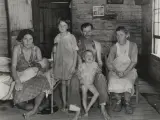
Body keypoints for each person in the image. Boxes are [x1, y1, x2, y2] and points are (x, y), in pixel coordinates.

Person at [69, 23, 110, 120]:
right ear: (81, 31)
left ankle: (103, 108)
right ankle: (77, 111)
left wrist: (98, 68)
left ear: (92, 31)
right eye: (85, 31)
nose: (87, 33)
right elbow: (79, 62)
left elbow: (99, 61)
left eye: (89, 30)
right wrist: (79, 73)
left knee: (101, 79)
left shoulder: (97, 44)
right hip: (82, 69)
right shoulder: (78, 44)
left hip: (93, 70)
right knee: (74, 81)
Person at [12, 29, 50, 119]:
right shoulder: (17, 49)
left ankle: (34, 111)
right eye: (25, 39)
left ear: (33, 40)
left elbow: (41, 66)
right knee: (21, 104)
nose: (28, 42)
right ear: (21, 39)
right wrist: (17, 81)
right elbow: (13, 67)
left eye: (30, 39)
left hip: (34, 76)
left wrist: (40, 71)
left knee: (43, 80)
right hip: (22, 76)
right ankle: (41, 106)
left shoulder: (36, 49)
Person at [107, 26, 138, 114]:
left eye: (121, 35)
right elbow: (109, 62)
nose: (118, 37)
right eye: (117, 35)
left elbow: (134, 61)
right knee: (113, 80)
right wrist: (116, 72)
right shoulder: (114, 47)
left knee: (127, 81)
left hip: (129, 70)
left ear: (127, 35)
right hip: (116, 70)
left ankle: (127, 103)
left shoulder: (133, 46)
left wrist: (125, 72)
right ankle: (119, 101)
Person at [52, 18, 78, 111]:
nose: (62, 27)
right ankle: (64, 104)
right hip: (59, 64)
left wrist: (74, 66)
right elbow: (55, 52)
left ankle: (71, 104)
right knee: (62, 84)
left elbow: (75, 52)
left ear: (68, 27)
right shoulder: (57, 37)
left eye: (64, 25)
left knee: (69, 84)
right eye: (60, 25)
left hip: (69, 64)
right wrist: (54, 64)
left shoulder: (71, 37)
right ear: (57, 26)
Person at [77, 50, 99, 116]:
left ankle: (88, 108)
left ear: (94, 58)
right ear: (84, 58)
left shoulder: (95, 64)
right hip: (84, 83)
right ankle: (86, 110)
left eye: (91, 55)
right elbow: (78, 74)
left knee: (97, 94)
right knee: (84, 96)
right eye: (87, 55)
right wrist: (80, 78)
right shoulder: (82, 65)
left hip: (90, 84)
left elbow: (97, 70)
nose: (89, 57)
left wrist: (97, 70)